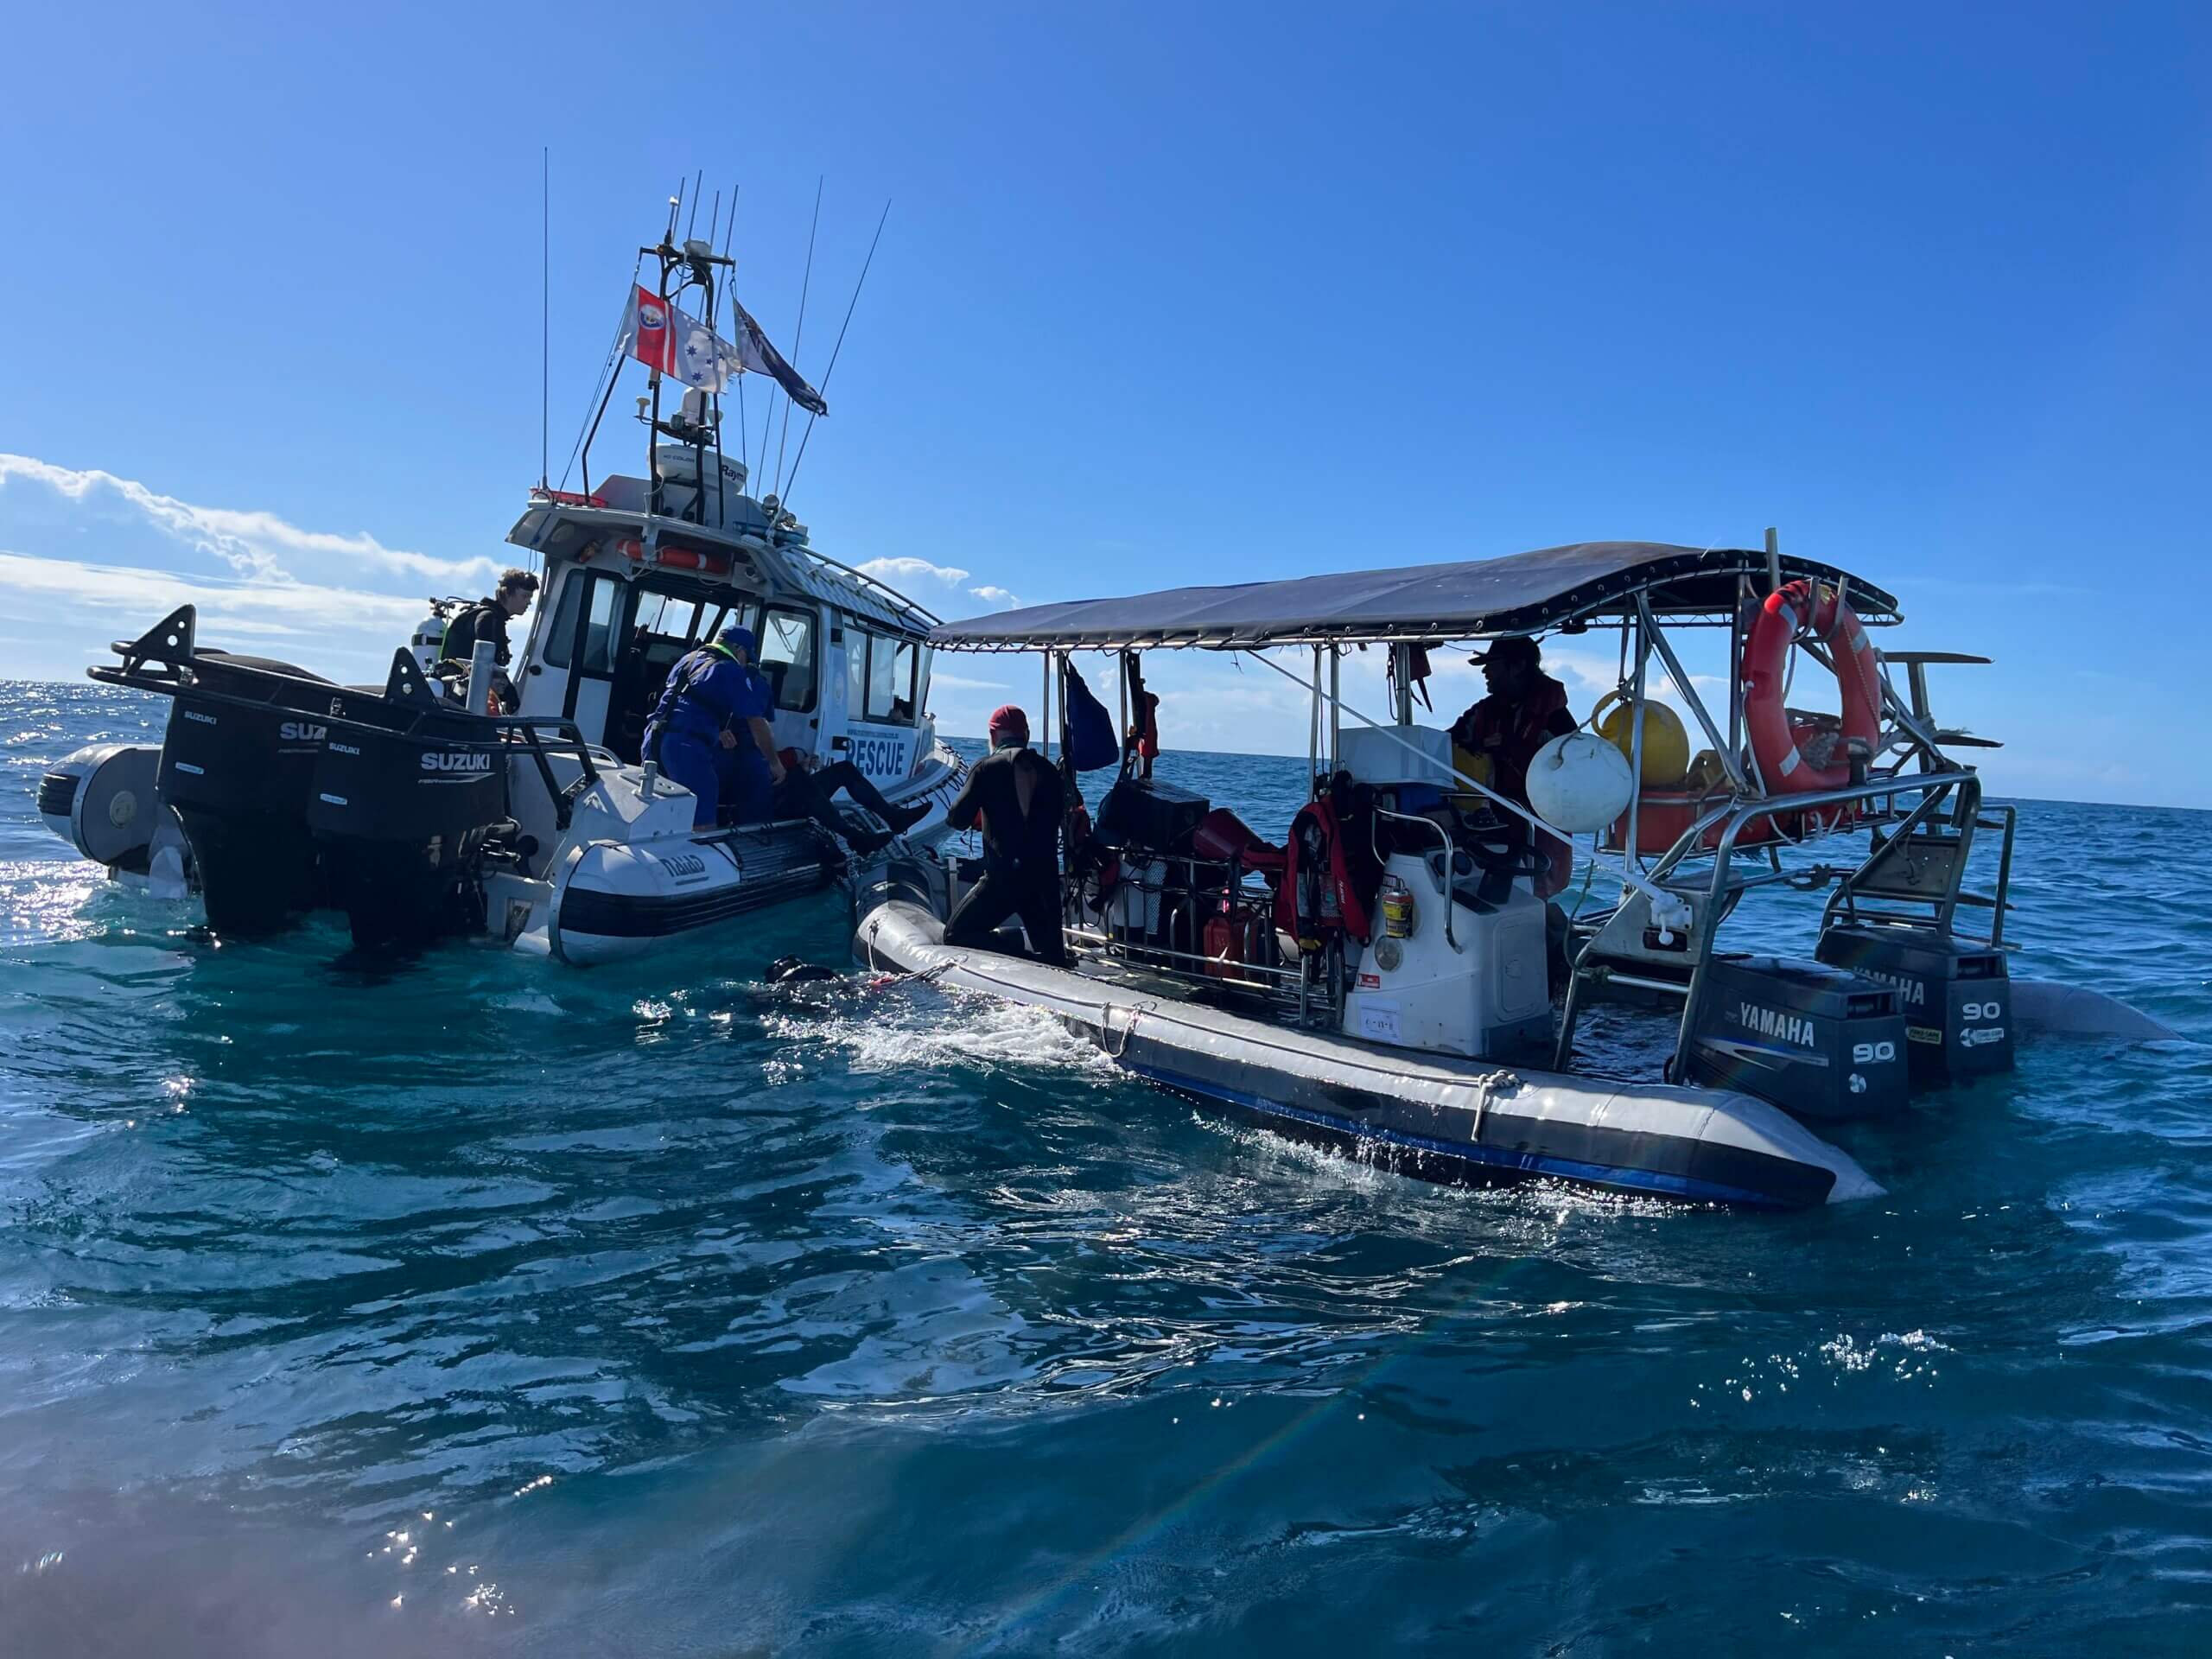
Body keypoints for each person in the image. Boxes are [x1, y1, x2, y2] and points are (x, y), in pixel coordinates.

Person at [1451, 633, 1576, 899]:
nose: (1485, 671)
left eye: (1492, 663)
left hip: (1539, 825)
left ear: (1517, 666)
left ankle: (1548, 930)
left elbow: (1575, 774)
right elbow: (1441, 744)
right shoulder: (1482, 713)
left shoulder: (1556, 720)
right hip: (1491, 825)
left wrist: (1513, 748)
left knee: (1534, 896)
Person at [941, 705, 1069, 966]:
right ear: (1027, 734)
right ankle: (1041, 963)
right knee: (1055, 958)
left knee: (956, 934)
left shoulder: (985, 768)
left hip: (1003, 880)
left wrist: (983, 811)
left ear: (993, 735)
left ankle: (1022, 957)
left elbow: (957, 819)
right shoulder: (1050, 771)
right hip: (1044, 881)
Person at [640, 623, 786, 830]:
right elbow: (756, 722)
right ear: (740, 651)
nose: (745, 665)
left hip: (654, 740)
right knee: (703, 820)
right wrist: (774, 763)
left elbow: (685, 703)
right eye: (747, 659)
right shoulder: (731, 669)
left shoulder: (688, 660)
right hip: (686, 749)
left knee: (660, 809)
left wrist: (716, 731)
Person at [772, 747, 933, 853]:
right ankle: (856, 838)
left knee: (844, 769)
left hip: (782, 792)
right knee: (800, 781)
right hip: (770, 803)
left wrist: (800, 765)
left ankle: (893, 817)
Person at [441, 568, 539, 711]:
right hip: (462, 694)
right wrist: (509, 693)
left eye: (530, 598)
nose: (528, 603)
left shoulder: (487, 616)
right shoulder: (488, 618)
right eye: (525, 596)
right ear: (507, 593)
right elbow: (486, 660)